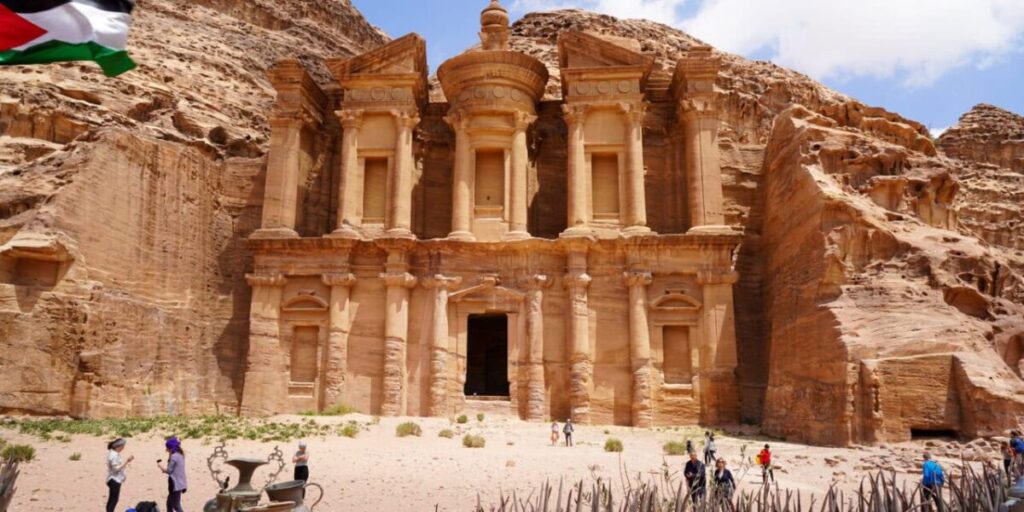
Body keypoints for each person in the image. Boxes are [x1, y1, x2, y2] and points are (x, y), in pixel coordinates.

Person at [157, 437, 187, 512]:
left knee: (176, 506)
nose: (166, 449)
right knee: (169, 504)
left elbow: (168, 470)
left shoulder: (174, 457)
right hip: (181, 483)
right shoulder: (180, 455)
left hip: (175, 484)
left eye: (167, 448)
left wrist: (160, 466)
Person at [106, 438, 133, 512]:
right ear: (119, 446)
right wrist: (127, 461)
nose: (123, 448)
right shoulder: (113, 455)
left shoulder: (114, 454)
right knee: (114, 500)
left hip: (114, 479)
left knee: (112, 499)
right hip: (114, 479)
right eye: (123, 446)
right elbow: (116, 469)